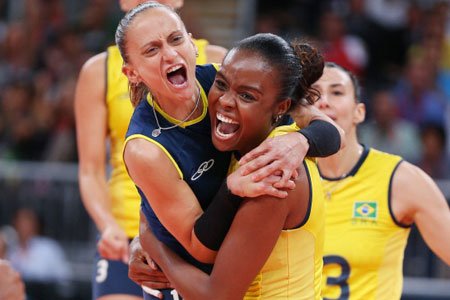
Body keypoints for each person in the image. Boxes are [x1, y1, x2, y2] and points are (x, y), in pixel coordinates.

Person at [117, 2, 342, 299]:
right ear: (132, 73)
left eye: (175, 39)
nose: (170, 54)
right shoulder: (146, 148)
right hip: (182, 282)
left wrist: (300, 141)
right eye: (151, 50)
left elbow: (331, 131)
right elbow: (198, 247)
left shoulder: (221, 78)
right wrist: (148, 240)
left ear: (193, 43)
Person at [74, 0, 228, 299]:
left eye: (174, 39)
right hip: (129, 226)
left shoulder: (220, 65)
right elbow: (90, 170)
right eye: (151, 49)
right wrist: (109, 227)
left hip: (205, 223)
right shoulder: (99, 71)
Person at [312, 62, 450, 300]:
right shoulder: (287, 175)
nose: (323, 101)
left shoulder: (401, 179)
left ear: (360, 112)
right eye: (313, 95)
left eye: (336, 92)